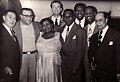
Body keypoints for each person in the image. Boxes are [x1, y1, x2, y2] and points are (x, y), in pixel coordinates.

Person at [88, 11, 120, 82]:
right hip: (98, 74)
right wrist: (91, 63)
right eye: (96, 21)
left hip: (111, 74)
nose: (98, 23)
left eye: (100, 20)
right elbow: (91, 53)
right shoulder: (94, 37)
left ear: (106, 20)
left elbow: (119, 55)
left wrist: (118, 72)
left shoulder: (116, 35)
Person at [13, 8, 42, 82]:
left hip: (34, 56)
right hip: (21, 57)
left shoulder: (37, 25)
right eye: (26, 16)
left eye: (31, 16)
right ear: (21, 16)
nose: (29, 18)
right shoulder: (14, 26)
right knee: (22, 78)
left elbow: (50, 27)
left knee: (34, 78)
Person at [60, 9, 87, 82]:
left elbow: (81, 51)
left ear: (74, 17)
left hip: (74, 64)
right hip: (64, 64)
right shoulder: (61, 29)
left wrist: (76, 67)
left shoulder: (80, 30)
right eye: (65, 17)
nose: (67, 19)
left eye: (69, 17)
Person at [36, 18, 62, 82]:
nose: (46, 27)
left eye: (47, 24)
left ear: (52, 25)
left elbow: (63, 49)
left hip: (53, 64)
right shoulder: (40, 35)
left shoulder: (58, 35)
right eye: (43, 25)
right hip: (41, 64)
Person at [0, 10, 21, 82]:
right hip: (5, 70)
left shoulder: (12, 31)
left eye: (14, 18)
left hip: (14, 68)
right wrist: (3, 67)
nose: (13, 20)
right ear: (4, 18)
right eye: (10, 17)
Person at [84, 6, 99, 82]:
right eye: (86, 13)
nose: (88, 15)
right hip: (86, 60)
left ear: (95, 14)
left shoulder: (99, 27)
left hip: (98, 60)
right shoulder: (84, 28)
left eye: (90, 13)